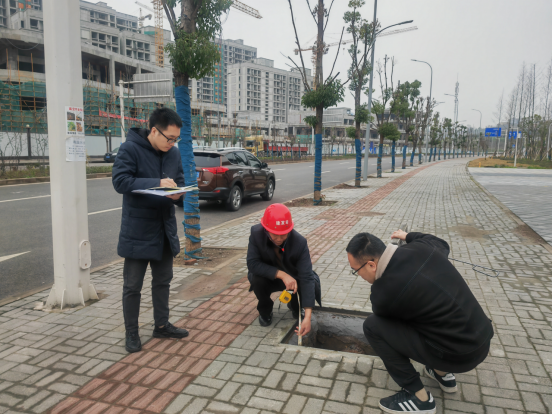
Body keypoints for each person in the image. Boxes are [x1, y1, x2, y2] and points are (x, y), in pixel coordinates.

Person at [346, 230, 494, 414]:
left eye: (355, 270)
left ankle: (419, 399)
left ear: (371, 265)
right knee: (428, 316)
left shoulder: (383, 293)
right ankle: (442, 375)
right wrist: (407, 236)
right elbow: (440, 242)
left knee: (373, 327)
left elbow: (388, 322)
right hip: (482, 339)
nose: (357, 275)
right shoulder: (423, 248)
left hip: (458, 354)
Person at [112, 107, 190, 353]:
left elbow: (179, 181)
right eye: (169, 138)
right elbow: (120, 181)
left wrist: (178, 195)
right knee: (133, 285)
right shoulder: (130, 148)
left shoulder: (173, 154)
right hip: (138, 229)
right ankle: (132, 333)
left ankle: (162, 325)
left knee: (163, 281)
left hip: (164, 228)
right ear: (154, 131)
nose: (172, 143)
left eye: (176, 139)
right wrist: (157, 183)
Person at [247, 203, 321, 335]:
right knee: (257, 279)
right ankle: (265, 310)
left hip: (293, 279)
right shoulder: (256, 234)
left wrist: (308, 316)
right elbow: (252, 263)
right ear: (265, 228)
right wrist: (281, 274)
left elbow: (307, 276)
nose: (279, 239)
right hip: (267, 277)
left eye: (284, 234)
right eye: (275, 234)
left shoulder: (300, 242)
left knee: (308, 284)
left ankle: (295, 306)